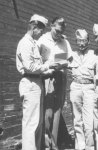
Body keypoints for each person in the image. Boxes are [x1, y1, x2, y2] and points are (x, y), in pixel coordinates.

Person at [16, 14, 55, 150]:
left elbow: (36, 68)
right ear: (33, 27)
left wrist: (46, 72)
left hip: (36, 83)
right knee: (30, 124)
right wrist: (47, 67)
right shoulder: (25, 43)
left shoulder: (32, 43)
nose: (41, 34)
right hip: (30, 83)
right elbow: (30, 67)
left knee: (37, 122)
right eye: (40, 31)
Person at [37, 17, 72, 150]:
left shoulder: (64, 42)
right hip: (47, 78)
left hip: (60, 78)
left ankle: (54, 145)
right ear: (51, 26)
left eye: (61, 31)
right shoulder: (42, 40)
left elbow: (69, 59)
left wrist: (65, 63)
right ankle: (45, 146)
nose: (58, 34)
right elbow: (36, 62)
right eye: (57, 30)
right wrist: (48, 66)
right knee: (48, 113)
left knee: (57, 112)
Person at [68, 29, 96, 150]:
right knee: (77, 119)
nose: (81, 43)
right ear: (76, 42)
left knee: (89, 122)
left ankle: (90, 146)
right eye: (79, 41)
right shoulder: (71, 55)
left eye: (84, 40)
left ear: (88, 41)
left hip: (89, 88)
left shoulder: (94, 55)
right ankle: (79, 146)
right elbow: (57, 58)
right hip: (75, 87)